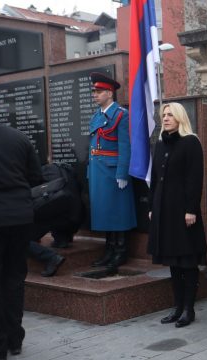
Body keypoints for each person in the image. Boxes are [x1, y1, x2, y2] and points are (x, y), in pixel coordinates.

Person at [148, 102, 207, 328]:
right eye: (164, 115)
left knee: (187, 262)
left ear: (180, 117)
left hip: (183, 212)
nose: (166, 118)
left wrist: (191, 209)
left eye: (170, 114)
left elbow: (194, 179)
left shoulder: (191, 142)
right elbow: (154, 178)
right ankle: (177, 307)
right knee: (173, 263)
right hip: (164, 212)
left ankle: (189, 309)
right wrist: (152, 207)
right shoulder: (161, 143)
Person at [0, 103, 42, 359]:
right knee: (14, 279)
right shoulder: (19, 137)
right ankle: (15, 340)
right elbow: (35, 176)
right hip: (20, 217)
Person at [87, 72, 136, 270]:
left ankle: (120, 251)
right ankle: (109, 250)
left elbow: (125, 146)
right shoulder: (97, 115)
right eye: (94, 92)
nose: (95, 95)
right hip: (98, 170)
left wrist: (122, 173)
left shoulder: (120, 115)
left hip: (113, 171)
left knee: (118, 212)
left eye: (99, 92)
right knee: (104, 212)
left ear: (110, 93)